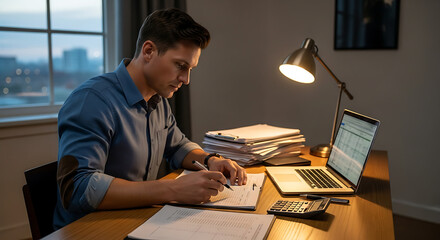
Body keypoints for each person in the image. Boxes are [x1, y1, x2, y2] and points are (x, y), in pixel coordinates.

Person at [53, 8, 247, 229]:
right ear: (148, 51)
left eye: (190, 69)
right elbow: (79, 189)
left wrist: (210, 159)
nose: (185, 79)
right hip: (91, 230)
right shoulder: (91, 101)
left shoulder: (158, 100)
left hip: (138, 221)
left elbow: (177, 146)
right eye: (180, 66)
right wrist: (174, 189)